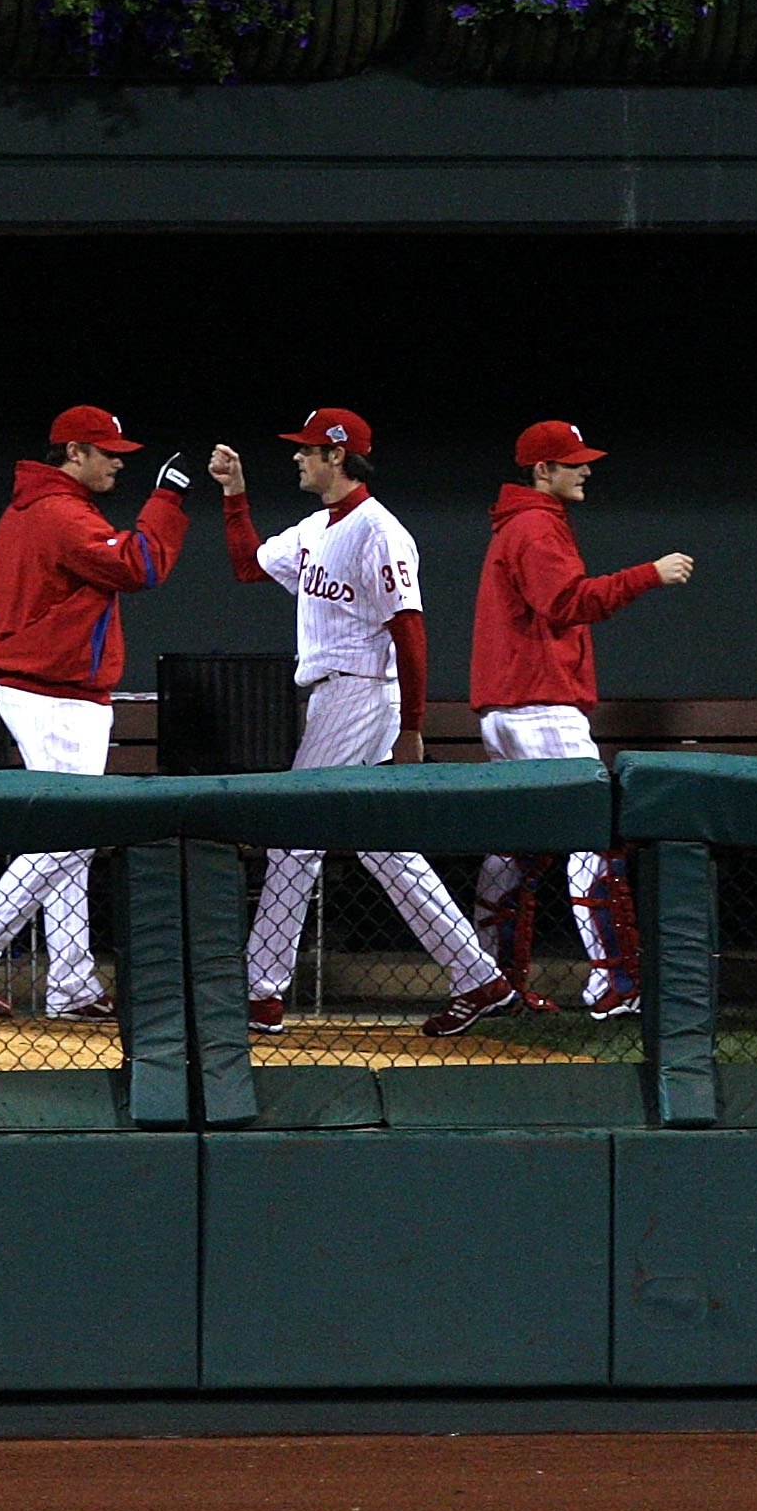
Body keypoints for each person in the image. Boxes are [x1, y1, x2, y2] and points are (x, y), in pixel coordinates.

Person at [212, 409, 517, 1039]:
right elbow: (247, 566)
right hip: (335, 693)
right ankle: (478, 976)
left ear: (339, 457)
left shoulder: (381, 532)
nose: (297, 458)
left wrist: (412, 724)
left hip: (362, 692)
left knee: (294, 832)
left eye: (308, 450)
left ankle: (260, 991)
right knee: (383, 847)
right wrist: (234, 494)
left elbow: (410, 631)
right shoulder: (315, 528)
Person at [0, 406, 192, 1020]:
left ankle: (72, 983)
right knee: (67, 835)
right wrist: (167, 500)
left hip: (55, 688)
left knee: (69, 839)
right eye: (107, 452)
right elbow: (141, 565)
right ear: (73, 452)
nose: (118, 462)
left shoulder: (40, 506)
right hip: (54, 692)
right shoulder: (56, 512)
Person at [465, 420, 693, 1019]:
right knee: (595, 836)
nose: (586, 469)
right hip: (541, 705)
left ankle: (489, 978)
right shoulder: (537, 525)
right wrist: (649, 574)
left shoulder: (522, 523)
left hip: (508, 706)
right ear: (543, 471)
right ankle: (613, 984)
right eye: (573, 462)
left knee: (515, 849)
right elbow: (566, 603)